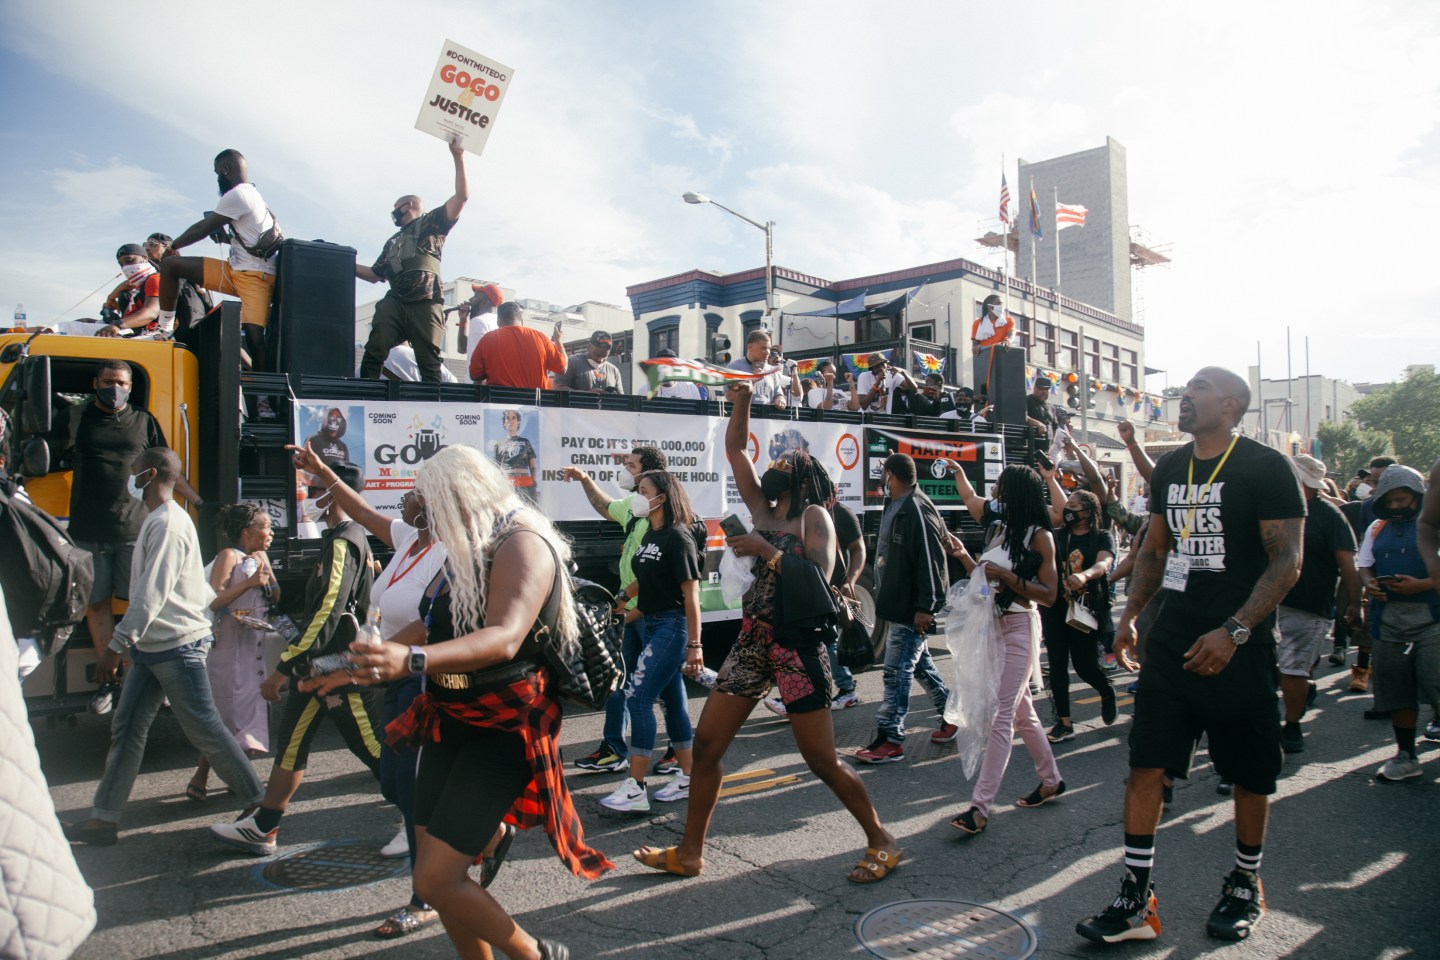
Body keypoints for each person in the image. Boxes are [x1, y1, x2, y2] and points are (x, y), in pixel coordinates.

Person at [304, 444, 606, 960]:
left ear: (461, 495)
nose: (422, 510)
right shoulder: (470, 545)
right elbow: (439, 623)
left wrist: (412, 662)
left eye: (431, 500)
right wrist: (356, 665)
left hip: (503, 729)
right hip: (450, 719)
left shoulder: (522, 543)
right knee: (437, 877)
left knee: (437, 880)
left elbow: (505, 637)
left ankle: (536, 955)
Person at [634, 379, 903, 885]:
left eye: (785, 466)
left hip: (797, 648)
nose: (774, 470)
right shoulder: (761, 508)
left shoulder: (814, 516)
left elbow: (819, 578)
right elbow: (735, 448)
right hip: (753, 642)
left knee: (821, 760)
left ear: (802, 478)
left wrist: (767, 551)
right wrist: (743, 402)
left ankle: (881, 838)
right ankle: (690, 852)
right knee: (708, 748)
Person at [1075, 366, 1304, 945]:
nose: (1184, 395)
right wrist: (1128, 619)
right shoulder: (1173, 467)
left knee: (1250, 774)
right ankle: (1135, 901)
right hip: (1172, 643)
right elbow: (1154, 550)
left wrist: (1235, 630)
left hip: (1239, 648)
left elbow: (1287, 563)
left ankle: (1245, 883)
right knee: (1145, 765)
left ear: (1229, 404)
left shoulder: (1265, 467)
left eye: (1198, 387)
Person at [287, 441, 450, 938]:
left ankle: (428, 895)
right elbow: (359, 509)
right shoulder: (407, 538)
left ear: (436, 501)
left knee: (416, 787)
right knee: (394, 782)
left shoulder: (448, 550)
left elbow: (429, 624)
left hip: (422, 679)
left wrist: (363, 663)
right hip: (392, 676)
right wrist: (323, 473)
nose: (407, 495)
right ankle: (472, 838)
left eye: (417, 490)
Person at [62, 448, 264, 847]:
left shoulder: (169, 524)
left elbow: (151, 593)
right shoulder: (158, 520)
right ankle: (104, 820)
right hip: (154, 647)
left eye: (134, 471)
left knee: (204, 728)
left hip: (177, 646)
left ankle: (259, 806)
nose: (130, 478)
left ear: (150, 474)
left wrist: (115, 647)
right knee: (128, 728)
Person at [210, 461, 380, 856]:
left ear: (334, 493)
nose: (309, 495)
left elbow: (328, 613)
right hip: (316, 664)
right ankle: (265, 826)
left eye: (317, 488)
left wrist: (284, 666)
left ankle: (423, 816)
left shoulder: (344, 541)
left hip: (336, 664)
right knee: (292, 743)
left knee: (371, 748)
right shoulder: (337, 537)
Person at [49, 360, 199, 670]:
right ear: (95, 384)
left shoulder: (144, 421)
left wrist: (198, 501)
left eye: (121, 383)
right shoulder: (73, 417)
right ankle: (110, 675)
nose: (114, 389)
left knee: (142, 602)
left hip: (135, 529)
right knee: (97, 604)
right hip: (87, 530)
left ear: (130, 387)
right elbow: (46, 456)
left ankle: (138, 673)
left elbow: (168, 466)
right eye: (107, 382)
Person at [941, 463, 1065, 836]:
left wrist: (1008, 577)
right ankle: (1051, 779)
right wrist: (967, 559)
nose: (994, 493)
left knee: (1002, 717)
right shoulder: (999, 531)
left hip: (1020, 629)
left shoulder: (1039, 537)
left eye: (1000, 488)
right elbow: (983, 587)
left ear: (1016, 494)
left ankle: (979, 808)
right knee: (1022, 712)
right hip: (992, 628)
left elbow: (1049, 595)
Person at [563, 448, 687, 777]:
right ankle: (615, 748)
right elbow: (604, 506)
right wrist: (585, 479)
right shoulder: (634, 511)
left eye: (631, 466)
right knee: (621, 680)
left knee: (661, 691)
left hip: (653, 617)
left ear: (651, 480)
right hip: (631, 614)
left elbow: (659, 576)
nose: (624, 470)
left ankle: (673, 757)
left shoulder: (666, 527)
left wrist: (696, 645)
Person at [598, 470, 700, 812]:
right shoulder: (651, 535)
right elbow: (645, 582)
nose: (637, 496)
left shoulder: (678, 537)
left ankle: (636, 787)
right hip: (652, 622)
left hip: (672, 627)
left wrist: (695, 646)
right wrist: (621, 605)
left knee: (638, 699)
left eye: (643, 490)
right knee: (670, 703)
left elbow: (691, 597)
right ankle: (689, 776)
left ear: (662, 497)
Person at [855, 453, 956, 763]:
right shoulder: (897, 504)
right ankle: (953, 715)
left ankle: (891, 739)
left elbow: (931, 559)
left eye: (883, 474)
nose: (881, 480)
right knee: (922, 666)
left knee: (896, 672)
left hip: (909, 609)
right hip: (898, 602)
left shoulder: (916, 509)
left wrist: (926, 606)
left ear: (892, 477)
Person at [356, 138, 469, 384]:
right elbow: (376, 274)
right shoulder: (392, 241)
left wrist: (458, 157)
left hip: (425, 300)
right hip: (396, 300)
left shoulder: (431, 222)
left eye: (396, 208)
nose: (394, 214)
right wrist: (344, 264)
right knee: (374, 351)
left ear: (408, 205)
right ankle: (363, 398)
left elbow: (461, 197)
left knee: (429, 363)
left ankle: (433, 413)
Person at [156, 149, 280, 371]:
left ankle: (263, 400)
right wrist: (227, 239)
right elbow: (251, 239)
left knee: (254, 337)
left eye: (217, 173)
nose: (217, 179)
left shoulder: (238, 194)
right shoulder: (253, 194)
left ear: (226, 169)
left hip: (255, 278)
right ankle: (164, 329)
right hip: (235, 271)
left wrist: (173, 246)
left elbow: (202, 228)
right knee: (172, 266)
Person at [188, 504, 278, 802]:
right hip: (228, 644)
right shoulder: (229, 556)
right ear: (246, 532)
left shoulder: (261, 556)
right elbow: (214, 599)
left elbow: (274, 594)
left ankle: (237, 775)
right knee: (225, 712)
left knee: (249, 710)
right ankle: (202, 776)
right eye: (266, 527)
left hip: (253, 643)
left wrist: (269, 580)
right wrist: (251, 582)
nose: (271, 533)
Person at [1275, 454, 1361, 754]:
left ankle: (1292, 725)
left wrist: (1354, 604)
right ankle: (1298, 695)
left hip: (1308, 606)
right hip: (1268, 602)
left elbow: (1348, 565)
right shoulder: (1274, 510)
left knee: (1293, 669)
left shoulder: (1328, 516)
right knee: (1273, 669)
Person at [1356, 465, 1437, 782]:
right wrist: (1370, 584)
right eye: (1390, 501)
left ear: (1418, 496)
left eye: (1402, 500)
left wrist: (1422, 585)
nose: (1395, 506)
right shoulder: (1376, 527)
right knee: (1397, 691)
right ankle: (1406, 756)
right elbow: (1365, 565)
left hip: (1433, 619)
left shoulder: (1434, 526)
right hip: (1389, 622)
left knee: (1436, 683)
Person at [1038, 488, 1117, 742]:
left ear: (1087, 511)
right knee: (1058, 665)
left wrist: (1085, 575)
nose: (1068, 510)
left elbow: (1104, 563)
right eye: (1067, 505)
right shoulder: (1057, 535)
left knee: (1084, 666)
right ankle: (1064, 723)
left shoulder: (1101, 537)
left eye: (1073, 506)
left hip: (1084, 609)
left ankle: (1106, 691)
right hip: (1054, 609)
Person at [1336, 455, 1399, 685]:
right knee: (1366, 626)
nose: (1374, 486)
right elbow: (1364, 543)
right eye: (1372, 480)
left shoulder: (1422, 510)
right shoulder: (1368, 508)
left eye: (1380, 480)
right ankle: (1361, 674)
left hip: (1410, 583)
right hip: (1373, 575)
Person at [469, 302, 567, 387]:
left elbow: (475, 375)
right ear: (522, 321)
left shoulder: (487, 339)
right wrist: (558, 342)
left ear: (499, 321)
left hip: (498, 403)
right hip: (533, 404)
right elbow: (563, 368)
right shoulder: (541, 338)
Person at [96, 244, 162, 338]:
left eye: (129, 260)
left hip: (146, 333)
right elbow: (127, 284)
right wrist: (110, 299)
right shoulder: (140, 284)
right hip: (130, 329)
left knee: (70, 329)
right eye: (121, 264)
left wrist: (117, 325)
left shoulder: (155, 279)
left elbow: (151, 313)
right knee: (81, 322)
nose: (125, 266)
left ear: (144, 258)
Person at [725, 330, 797, 408]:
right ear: (750, 347)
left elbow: (778, 394)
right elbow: (729, 397)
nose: (767, 352)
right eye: (763, 348)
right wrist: (751, 380)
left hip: (766, 418)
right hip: (743, 417)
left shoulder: (772, 371)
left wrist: (780, 400)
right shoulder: (734, 367)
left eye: (769, 348)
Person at [555, 331, 622, 393]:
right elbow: (558, 388)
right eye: (596, 354)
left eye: (604, 356)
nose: (600, 360)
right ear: (589, 347)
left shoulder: (614, 371)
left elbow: (621, 398)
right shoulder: (571, 363)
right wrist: (587, 395)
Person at [493, 409, 538, 493]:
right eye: (508, 418)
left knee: (526, 506)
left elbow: (533, 467)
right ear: (504, 423)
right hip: (507, 485)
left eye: (514, 418)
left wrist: (533, 482)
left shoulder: (525, 442)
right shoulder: (498, 444)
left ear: (518, 422)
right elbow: (496, 468)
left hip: (525, 483)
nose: (511, 421)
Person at [455, 281, 504, 349]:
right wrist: (462, 320)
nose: (470, 299)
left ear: (484, 302)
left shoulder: (478, 321)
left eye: (475, 297)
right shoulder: (499, 323)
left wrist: (462, 321)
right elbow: (463, 349)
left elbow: (465, 351)